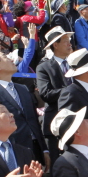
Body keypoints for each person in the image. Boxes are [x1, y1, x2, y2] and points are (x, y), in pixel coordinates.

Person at [0, 51, 48, 162]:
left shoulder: (23, 89)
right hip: (11, 153)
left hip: (36, 150)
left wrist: (44, 150)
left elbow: (33, 120)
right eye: (5, 57)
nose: (11, 59)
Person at [35, 26, 74, 163]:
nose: (69, 43)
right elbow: (45, 93)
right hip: (56, 122)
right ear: (55, 45)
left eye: (69, 40)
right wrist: (72, 90)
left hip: (79, 120)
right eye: (65, 41)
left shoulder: (76, 63)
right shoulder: (44, 67)